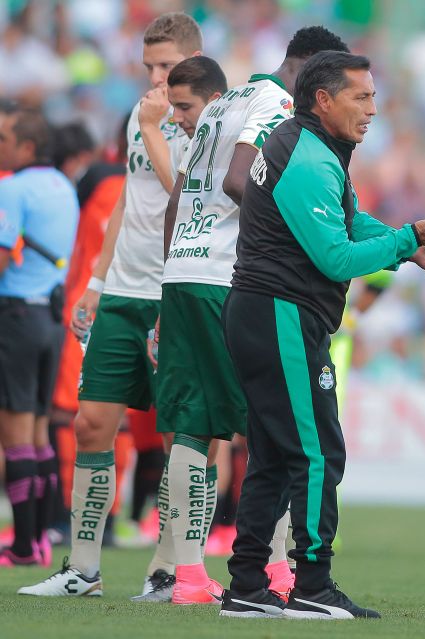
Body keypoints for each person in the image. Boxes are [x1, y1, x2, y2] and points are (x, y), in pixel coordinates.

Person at [219, 50, 425, 620]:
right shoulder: (309, 158)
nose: (372, 109)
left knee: (273, 455)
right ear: (323, 100)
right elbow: (335, 258)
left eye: (373, 96)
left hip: (266, 311)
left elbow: (348, 221)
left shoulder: (305, 145)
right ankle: (312, 584)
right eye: (361, 96)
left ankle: (246, 585)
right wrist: (407, 240)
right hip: (281, 313)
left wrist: (409, 249)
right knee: (317, 453)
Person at [156, 26, 349, 606]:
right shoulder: (278, 104)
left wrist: (169, 282)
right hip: (230, 276)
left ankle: (189, 576)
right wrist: (302, 234)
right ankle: (280, 570)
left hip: (183, 271)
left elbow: (177, 199)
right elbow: (241, 180)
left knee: (193, 426)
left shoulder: (225, 100)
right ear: (313, 69)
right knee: (282, 428)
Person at [18, 12, 201, 599]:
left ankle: (168, 569)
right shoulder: (139, 116)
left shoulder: (207, 119)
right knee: (92, 423)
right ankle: (83, 570)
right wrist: (96, 282)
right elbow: (129, 199)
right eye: (149, 66)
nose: (156, 78)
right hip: (123, 291)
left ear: (193, 61)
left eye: (166, 66)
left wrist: (152, 127)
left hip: (176, 293)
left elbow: (187, 197)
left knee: (178, 435)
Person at [0, 109, 79, 567]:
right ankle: (42, 538)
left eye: (4, 138)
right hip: (51, 319)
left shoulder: (12, 187)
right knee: (38, 433)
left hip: (15, 315)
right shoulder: (62, 185)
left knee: (15, 436)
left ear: (27, 147)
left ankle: (23, 546)